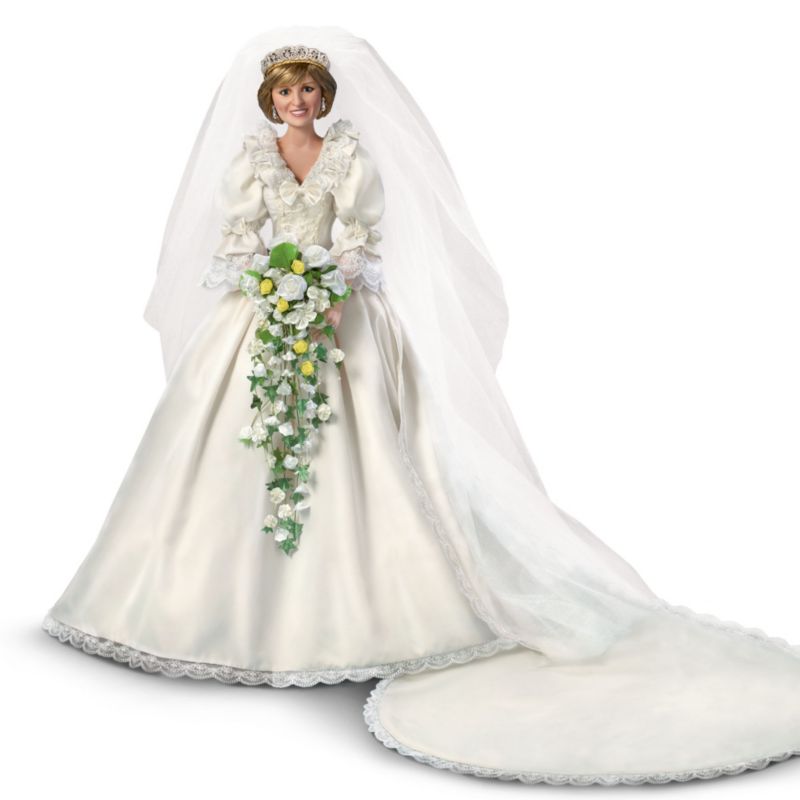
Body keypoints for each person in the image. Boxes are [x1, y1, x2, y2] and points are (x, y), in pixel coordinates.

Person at [41, 27, 800, 785]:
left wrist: (330, 290)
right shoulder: (253, 158)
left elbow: (359, 234)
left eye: (308, 91)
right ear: (270, 100)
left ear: (324, 97)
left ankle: (393, 605)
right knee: (226, 436)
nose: (298, 102)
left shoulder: (347, 155)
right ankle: (208, 606)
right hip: (269, 305)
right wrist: (269, 286)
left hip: (338, 306)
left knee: (373, 439)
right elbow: (237, 236)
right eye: (286, 92)